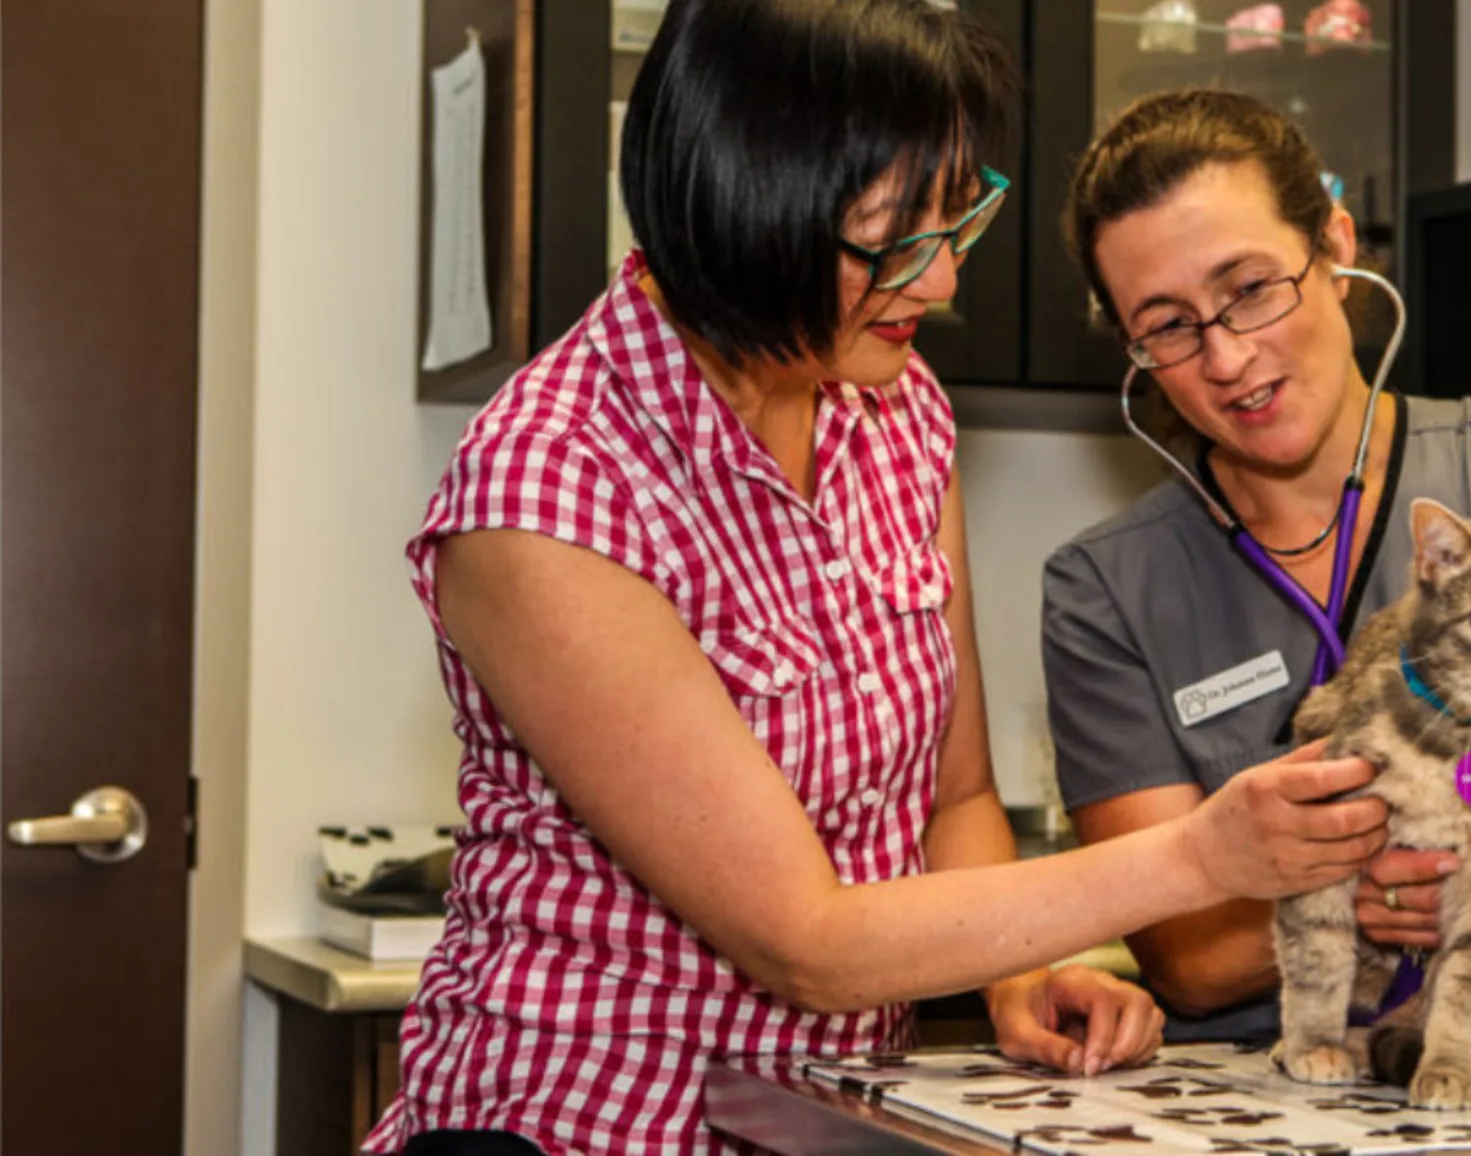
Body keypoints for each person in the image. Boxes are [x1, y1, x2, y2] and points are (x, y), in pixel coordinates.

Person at [365, 16, 1393, 1156]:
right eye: (888, 241)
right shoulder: (549, 485)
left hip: (821, 1120)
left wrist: (1019, 976)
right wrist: (1202, 856)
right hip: (577, 1122)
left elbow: (955, 801)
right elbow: (807, 939)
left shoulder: (896, 411)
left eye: (956, 219)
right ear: (745, 214)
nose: (944, 275)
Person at [1042, 89, 1471, 1045]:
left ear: (1339, 249)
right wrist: (1352, 893)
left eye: (1250, 288)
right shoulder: (1105, 588)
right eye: (1170, 326)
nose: (1227, 357)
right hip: (1259, 1093)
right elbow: (1186, 962)